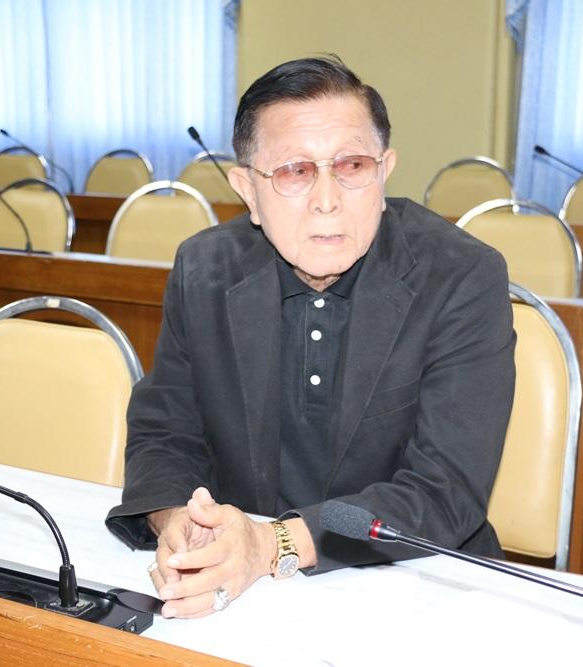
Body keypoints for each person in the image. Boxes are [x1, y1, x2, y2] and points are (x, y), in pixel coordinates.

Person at [106, 55, 516, 619]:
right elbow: (166, 430)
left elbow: (443, 490)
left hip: (420, 588)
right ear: (248, 190)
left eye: (351, 166)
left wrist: (273, 544)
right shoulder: (205, 268)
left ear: (384, 171)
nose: (327, 199)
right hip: (249, 594)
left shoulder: (461, 276)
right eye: (295, 171)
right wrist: (177, 518)